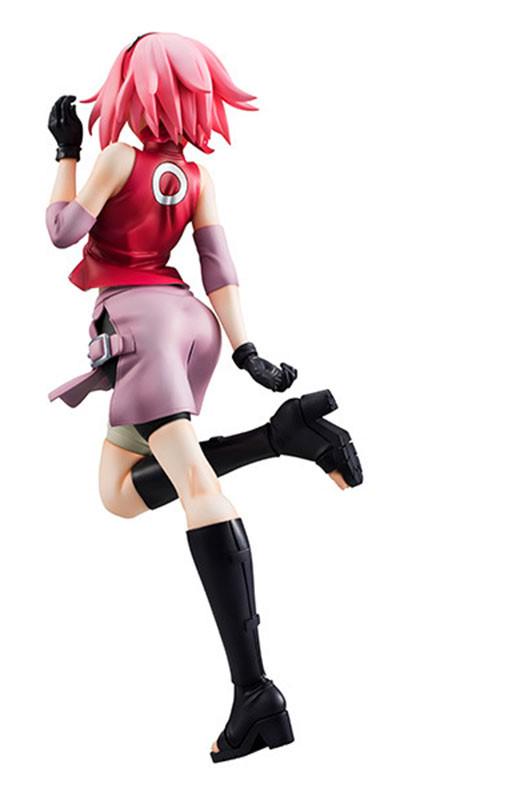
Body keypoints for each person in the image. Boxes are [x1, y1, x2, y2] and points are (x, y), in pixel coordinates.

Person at [45, 32, 363, 762]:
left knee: (196, 487)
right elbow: (218, 266)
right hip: (191, 324)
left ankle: (255, 691)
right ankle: (282, 436)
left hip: (141, 327)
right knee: (119, 493)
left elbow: (62, 231)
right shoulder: (196, 177)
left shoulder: (117, 158)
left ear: (131, 90)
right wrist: (245, 349)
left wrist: (65, 155)